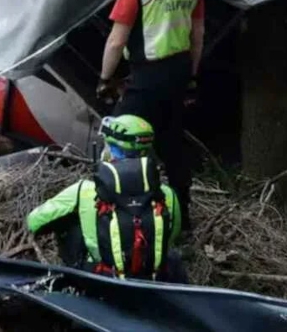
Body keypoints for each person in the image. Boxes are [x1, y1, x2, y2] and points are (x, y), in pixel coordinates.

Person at [96, 0, 204, 231]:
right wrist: (192, 76)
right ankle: (182, 218)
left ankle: (113, 213)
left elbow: (116, 41)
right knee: (172, 142)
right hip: (180, 71)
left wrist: (105, 79)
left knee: (117, 137)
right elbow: (198, 35)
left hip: (147, 74)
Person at [26, 115, 186, 282]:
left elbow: (33, 222)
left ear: (111, 148)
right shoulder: (167, 194)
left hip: (102, 279)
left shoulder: (84, 191)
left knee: (71, 223)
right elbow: (171, 236)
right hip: (152, 280)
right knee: (173, 257)